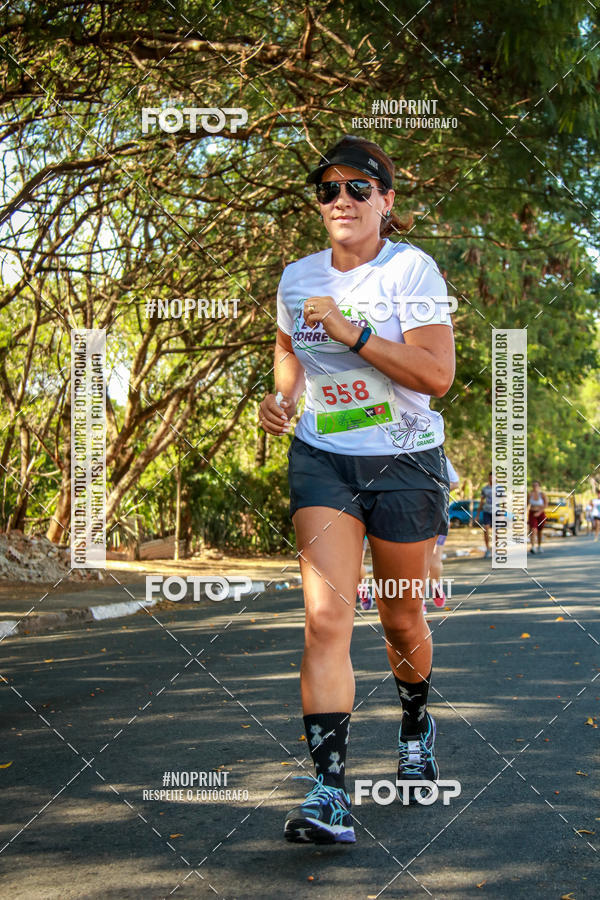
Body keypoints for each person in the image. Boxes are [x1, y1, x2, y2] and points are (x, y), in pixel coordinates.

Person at [259, 134, 455, 843]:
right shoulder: (296, 277)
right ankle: (330, 793)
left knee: (401, 620)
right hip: (325, 458)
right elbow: (288, 352)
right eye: (328, 190)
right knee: (325, 620)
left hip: (404, 462)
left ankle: (415, 722)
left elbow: (437, 377)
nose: (341, 201)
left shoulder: (414, 271)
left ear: (386, 201)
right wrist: (281, 400)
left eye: (357, 189)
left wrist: (357, 330)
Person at [427, 456, 460, 608]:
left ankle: (435, 585)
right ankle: (418, 600)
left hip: (438, 513)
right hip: (410, 515)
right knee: (415, 559)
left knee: (435, 557)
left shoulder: (441, 457)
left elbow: (455, 483)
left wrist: (436, 486)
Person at [527, 480, 547, 554]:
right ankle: (533, 547)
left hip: (541, 513)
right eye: (533, 485)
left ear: (539, 486)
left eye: (536, 485)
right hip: (532, 513)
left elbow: (546, 504)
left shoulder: (542, 494)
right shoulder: (530, 494)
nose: (535, 487)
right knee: (533, 529)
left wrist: (539, 512)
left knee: (540, 530)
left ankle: (539, 546)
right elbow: (527, 504)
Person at [477, 472, 493, 558]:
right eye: (490, 478)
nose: (491, 479)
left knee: (497, 532)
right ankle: (487, 549)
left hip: (497, 512)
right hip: (486, 511)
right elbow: (481, 501)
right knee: (486, 529)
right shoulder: (485, 489)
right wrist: (477, 514)